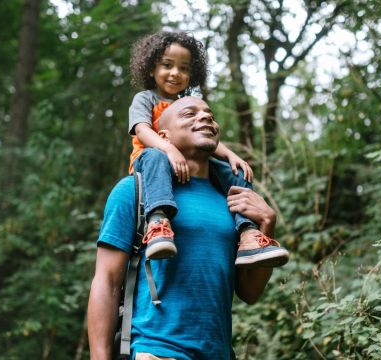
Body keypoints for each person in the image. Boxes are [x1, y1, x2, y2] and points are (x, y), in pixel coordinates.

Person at [88, 96, 281, 359]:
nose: (205, 117)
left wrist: (267, 226)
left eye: (210, 115)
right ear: (163, 136)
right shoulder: (134, 191)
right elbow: (106, 282)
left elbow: (250, 293)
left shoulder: (235, 200)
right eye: (189, 113)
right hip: (156, 351)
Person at [127, 31, 288, 267]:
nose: (175, 73)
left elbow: (204, 139)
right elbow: (142, 131)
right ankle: (158, 222)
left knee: (236, 172)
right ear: (151, 69)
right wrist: (168, 149)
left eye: (183, 68)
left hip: (189, 164)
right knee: (154, 155)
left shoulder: (189, 102)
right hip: (152, 164)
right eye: (167, 65)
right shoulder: (145, 99)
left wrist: (231, 155)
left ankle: (248, 234)